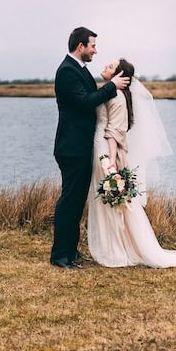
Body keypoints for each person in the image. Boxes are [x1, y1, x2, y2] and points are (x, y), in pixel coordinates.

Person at [87, 58, 176, 268]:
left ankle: (119, 249)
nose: (105, 67)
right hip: (99, 146)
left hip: (105, 151)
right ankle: (112, 245)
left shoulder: (117, 96)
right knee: (107, 200)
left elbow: (115, 133)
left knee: (113, 201)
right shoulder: (110, 91)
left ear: (120, 76)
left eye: (110, 66)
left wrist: (110, 163)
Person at [50, 26, 129, 269]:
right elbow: (84, 103)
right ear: (80, 46)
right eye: (92, 45)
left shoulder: (79, 70)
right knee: (69, 201)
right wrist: (112, 86)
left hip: (82, 147)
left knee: (76, 202)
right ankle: (60, 256)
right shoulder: (66, 71)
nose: (95, 50)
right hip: (71, 147)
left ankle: (71, 251)